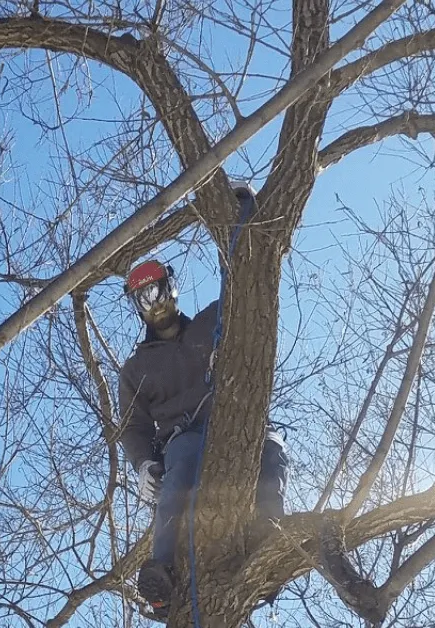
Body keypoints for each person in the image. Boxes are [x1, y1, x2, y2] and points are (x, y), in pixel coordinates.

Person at [116, 183, 290, 619]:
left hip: (232, 417)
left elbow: (247, 279)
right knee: (186, 462)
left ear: (171, 288)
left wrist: (239, 214)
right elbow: (133, 427)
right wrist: (141, 465)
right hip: (183, 435)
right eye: (142, 297)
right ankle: (163, 572)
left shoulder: (212, 321)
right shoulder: (136, 370)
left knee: (270, 454)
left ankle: (265, 548)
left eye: (156, 290)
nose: (151, 302)